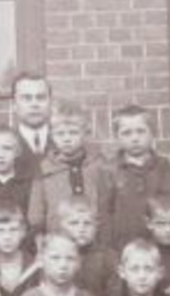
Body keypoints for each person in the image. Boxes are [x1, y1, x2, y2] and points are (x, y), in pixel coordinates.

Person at [101, 103, 170, 253]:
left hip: (158, 244)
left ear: (152, 133)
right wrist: (108, 247)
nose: (135, 138)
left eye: (140, 131)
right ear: (117, 137)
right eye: (127, 133)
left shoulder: (163, 166)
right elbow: (105, 213)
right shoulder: (109, 170)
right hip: (122, 245)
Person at [28, 102, 110, 240]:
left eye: (73, 133)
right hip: (59, 242)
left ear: (84, 134)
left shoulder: (98, 165)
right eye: (60, 133)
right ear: (52, 135)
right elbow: (36, 213)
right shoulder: (45, 169)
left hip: (95, 241)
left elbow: (107, 203)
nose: (67, 139)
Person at [55, 195, 118, 296]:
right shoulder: (56, 257)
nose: (81, 229)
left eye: (87, 223)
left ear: (96, 225)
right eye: (74, 223)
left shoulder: (108, 257)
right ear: (62, 225)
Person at [0, 204, 41, 296]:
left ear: (23, 232)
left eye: (13, 230)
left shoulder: (35, 266)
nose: (7, 237)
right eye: (0, 231)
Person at [8, 70, 54, 179]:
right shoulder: (2, 146)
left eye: (41, 97)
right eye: (26, 98)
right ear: (14, 104)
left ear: (50, 102)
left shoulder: (66, 141)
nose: (34, 104)